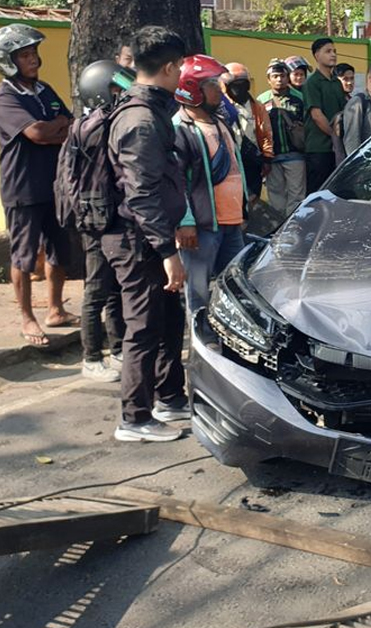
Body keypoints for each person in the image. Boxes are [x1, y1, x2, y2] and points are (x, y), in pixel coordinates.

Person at [103, 25, 191, 442]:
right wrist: (166, 250)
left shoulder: (152, 111)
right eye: (182, 67)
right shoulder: (140, 120)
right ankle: (134, 418)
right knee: (141, 327)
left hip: (151, 236)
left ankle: (168, 397)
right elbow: (141, 194)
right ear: (170, 67)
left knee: (169, 319)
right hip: (137, 239)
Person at [0, 23, 76, 349]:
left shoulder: (44, 91)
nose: (34, 60)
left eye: (34, 53)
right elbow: (37, 134)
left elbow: (71, 125)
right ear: (8, 61)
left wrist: (54, 128)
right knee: (24, 257)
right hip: (22, 188)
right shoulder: (5, 97)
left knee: (60, 249)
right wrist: (56, 127)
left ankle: (56, 310)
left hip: (54, 185)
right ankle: (27, 317)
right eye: (25, 55)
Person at [69, 59, 134, 382]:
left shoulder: (104, 121)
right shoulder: (96, 126)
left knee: (114, 290)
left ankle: (118, 348)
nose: (124, 94)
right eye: (116, 89)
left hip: (108, 214)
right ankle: (91, 357)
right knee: (96, 290)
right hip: (96, 217)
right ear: (99, 93)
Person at [172, 55, 248, 315]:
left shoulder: (221, 121)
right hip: (202, 227)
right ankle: (201, 346)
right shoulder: (180, 129)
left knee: (236, 286)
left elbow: (236, 168)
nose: (220, 89)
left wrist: (243, 210)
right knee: (198, 292)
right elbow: (176, 180)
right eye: (213, 84)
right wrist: (185, 221)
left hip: (231, 223)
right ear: (193, 89)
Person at [260, 59, 307, 218]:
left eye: (282, 76)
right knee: (276, 199)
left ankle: (294, 229)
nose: (279, 79)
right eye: (275, 76)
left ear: (288, 77)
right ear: (268, 79)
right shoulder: (261, 101)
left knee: (297, 197)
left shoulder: (299, 98)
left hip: (296, 155)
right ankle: (279, 229)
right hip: (272, 158)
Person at [221, 62, 271, 210]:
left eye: (242, 83)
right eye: (235, 83)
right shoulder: (222, 106)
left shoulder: (257, 106)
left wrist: (267, 157)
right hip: (231, 158)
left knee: (253, 195)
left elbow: (266, 132)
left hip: (252, 159)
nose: (239, 87)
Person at [303, 37, 347, 193]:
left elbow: (343, 112)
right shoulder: (312, 82)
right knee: (317, 193)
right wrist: (334, 136)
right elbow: (316, 115)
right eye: (328, 51)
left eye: (334, 51)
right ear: (316, 55)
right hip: (319, 148)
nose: (333, 55)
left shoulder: (336, 82)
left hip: (336, 149)